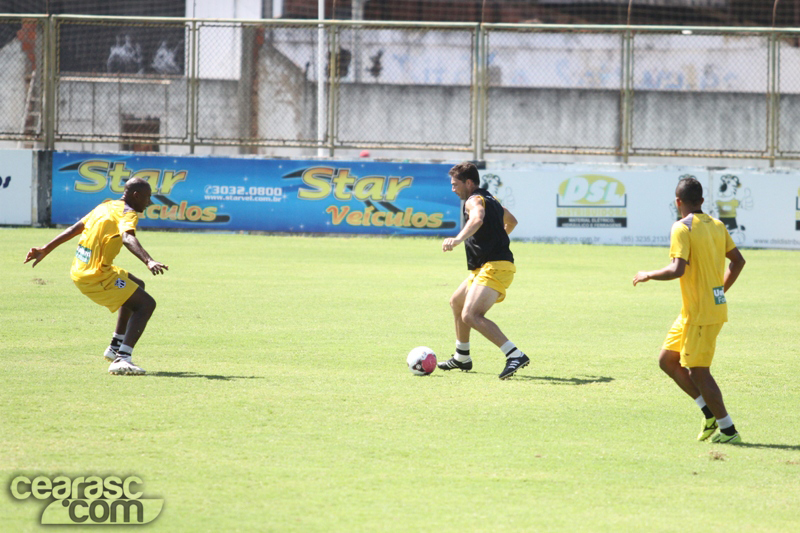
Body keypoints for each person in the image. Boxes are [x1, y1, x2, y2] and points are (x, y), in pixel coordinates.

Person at [633, 176, 746, 443]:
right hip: (694, 310)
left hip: (702, 313)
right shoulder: (717, 225)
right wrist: (718, 291)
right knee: (667, 360)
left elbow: (677, 269)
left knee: (698, 370)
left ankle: (728, 430)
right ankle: (708, 414)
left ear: (677, 201)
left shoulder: (681, 227)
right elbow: (738, 261)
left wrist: (648, 274)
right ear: (703, 201)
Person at [24, 177, 168, 375]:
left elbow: (75, 228)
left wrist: (46, 249)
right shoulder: (128, 213)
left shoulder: (105, 206)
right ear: (136, 196)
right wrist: (149, 260)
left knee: (137, 285)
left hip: (83, 268)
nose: (149, 202)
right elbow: (127, 237)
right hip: (96, 276)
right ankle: (122, 358)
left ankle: (115, 346)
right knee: (146, 305)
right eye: (147, 197)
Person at [439, 161, 529, 380]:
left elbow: (477, 218)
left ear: (469, 183)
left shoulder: (474, 200)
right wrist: (496, 239)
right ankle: (462, 356)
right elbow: (512, 221)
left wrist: (458, 239)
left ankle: (514, 354)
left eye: (455, 184)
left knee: (470, 314)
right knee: (457, 302)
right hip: (486, 266)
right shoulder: (491, 199)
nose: (453, 189)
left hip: (495, 266)